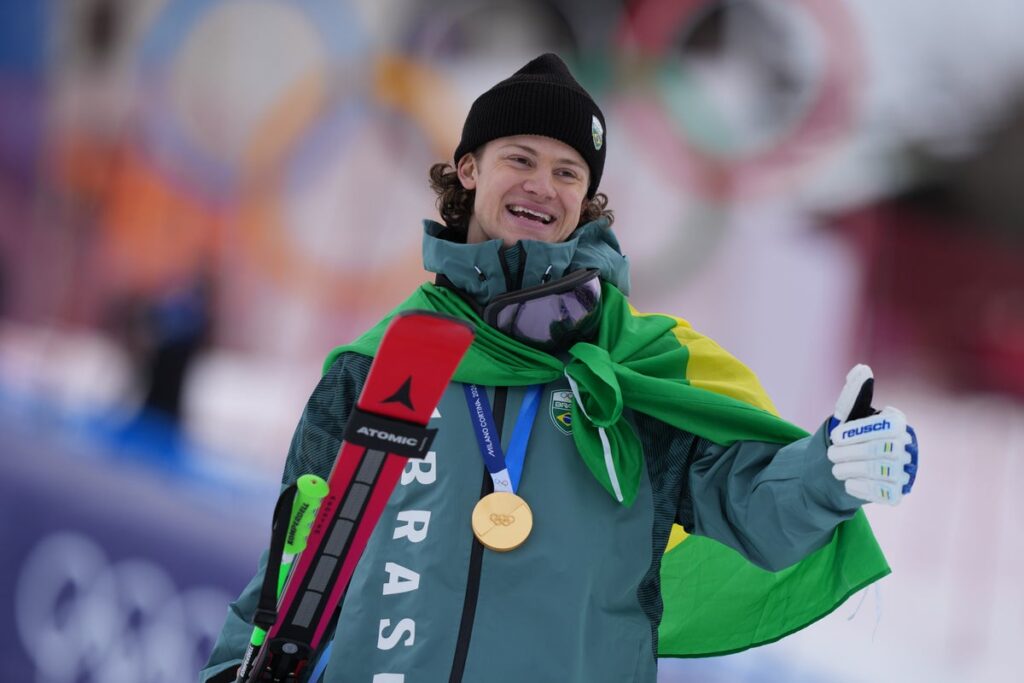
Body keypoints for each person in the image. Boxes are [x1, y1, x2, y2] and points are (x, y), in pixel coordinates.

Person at [202, 53, 918, 683]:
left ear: (587, 198)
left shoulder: (634, 367)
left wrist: (824, 472)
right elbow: (294, 553)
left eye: (567, 170)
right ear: (470, 168)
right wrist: (235, 666)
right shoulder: (385, 362)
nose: (543, 185)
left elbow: (750, 506)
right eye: (521, 158)